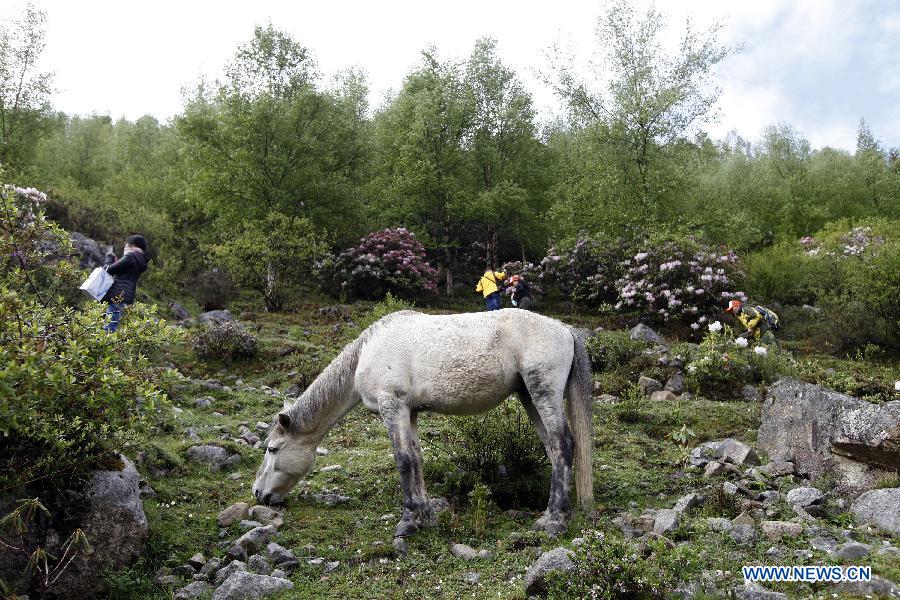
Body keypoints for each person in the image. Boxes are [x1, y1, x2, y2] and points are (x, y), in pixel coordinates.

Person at [102, 234, 149, 332]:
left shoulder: (131, 256)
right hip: (125, 296)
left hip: (117, 295)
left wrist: (109, 257)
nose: (125, 247)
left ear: (132, 245)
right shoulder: (139, 259)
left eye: (126, 245)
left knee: (108, 328)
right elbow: (124, 272)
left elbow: (108, 269)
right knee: (110, 324)